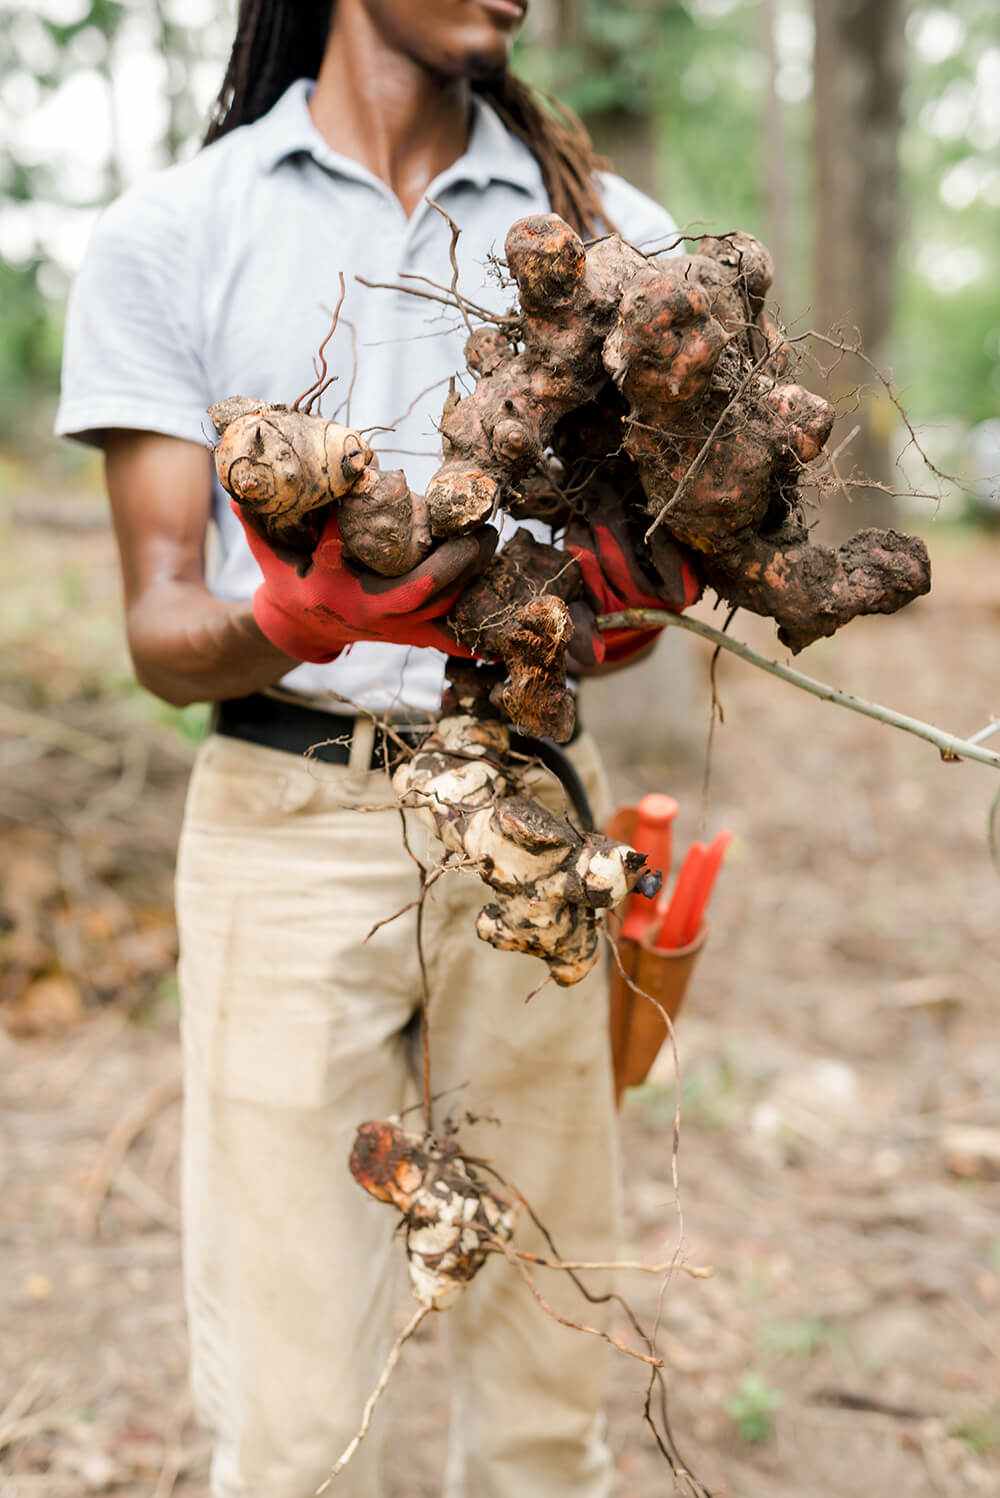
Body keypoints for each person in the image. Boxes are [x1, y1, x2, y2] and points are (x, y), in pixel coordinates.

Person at [56, 4, 698, 1495]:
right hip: (288, 815)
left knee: (547, 1401)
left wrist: (626, 605)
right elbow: (161, 632)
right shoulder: (177, 229)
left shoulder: (619, 243)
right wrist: (297, 616)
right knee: (290, 1425)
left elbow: (642, 607)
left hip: (531, 814)